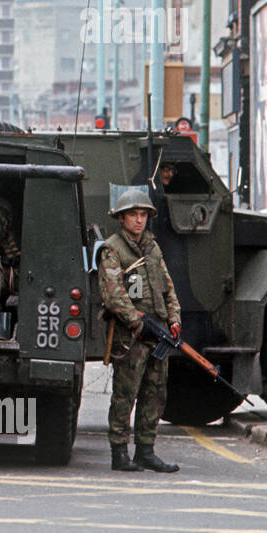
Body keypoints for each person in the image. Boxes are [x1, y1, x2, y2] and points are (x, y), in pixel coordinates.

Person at [98, 188, 182, 473]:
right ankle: (119, 451)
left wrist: (174, 319)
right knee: (126, 393)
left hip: (157, 331)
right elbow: (112, 294)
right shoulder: (112, 249)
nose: (138, 220)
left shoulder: (152, 248)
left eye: (143, 214)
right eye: (133, 215)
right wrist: (136, 321)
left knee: (155, 392)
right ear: (121, 218)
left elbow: (167, 287)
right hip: (130, 334)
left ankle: (146, 450)